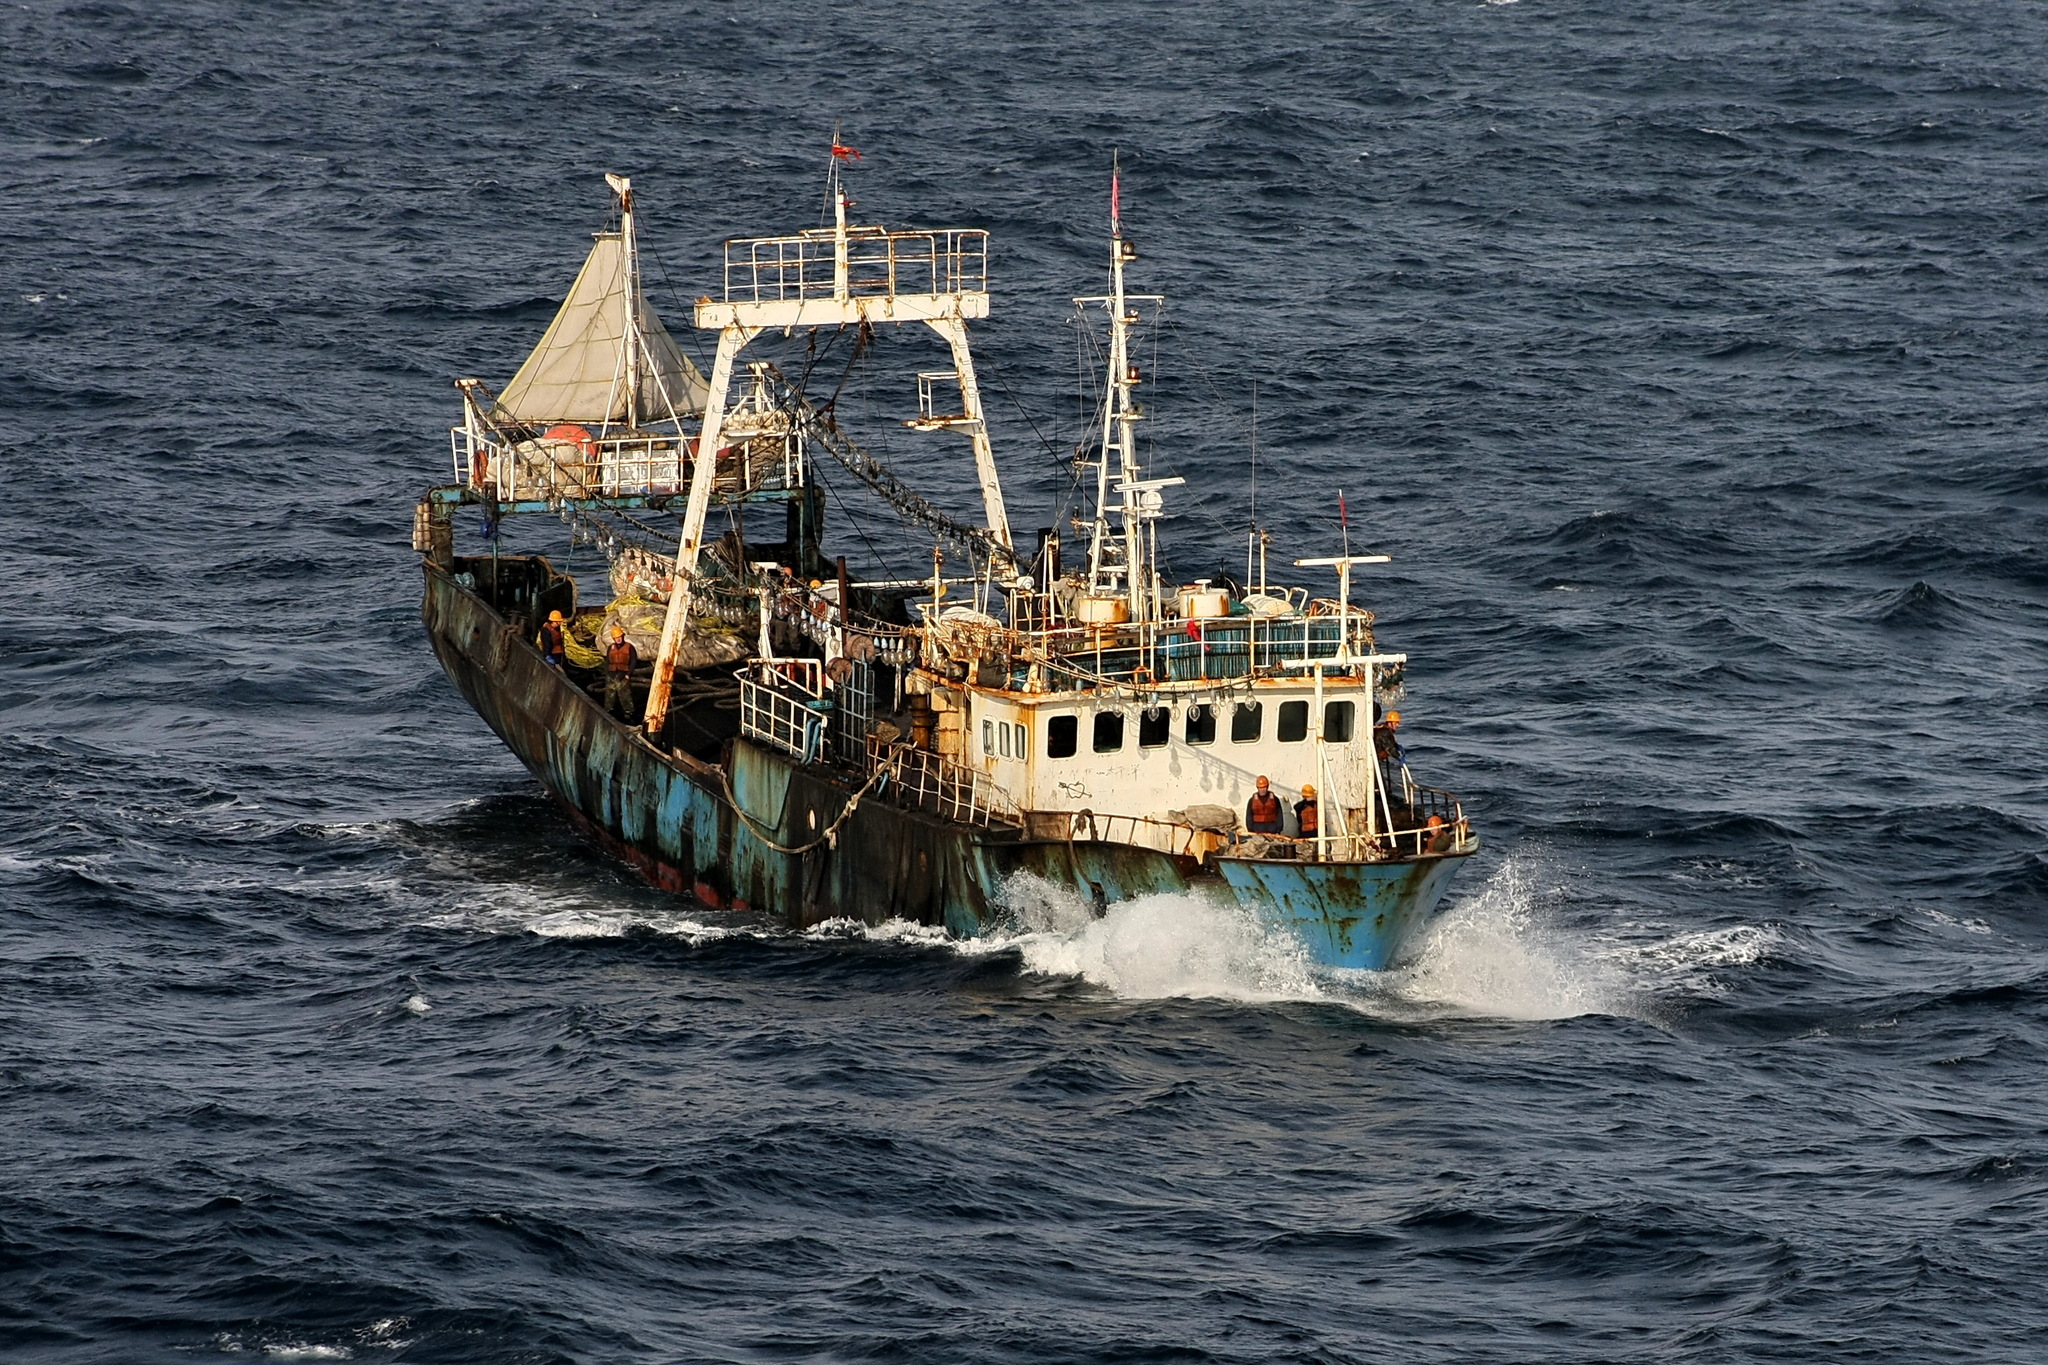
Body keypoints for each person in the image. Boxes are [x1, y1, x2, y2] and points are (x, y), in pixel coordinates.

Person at [604, 624, 638, 720]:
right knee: (609, 695)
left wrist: (628, 674)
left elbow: (633, 661)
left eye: (619, 637)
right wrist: (607, 672)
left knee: (625, 695)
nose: (618, 639)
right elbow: (607, 660)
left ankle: (629, 712)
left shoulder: (629, 647)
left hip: (623, 675)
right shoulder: (611, 647)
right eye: (616, 638)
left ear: (622, 636)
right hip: (612, 674)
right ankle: (609, 710)